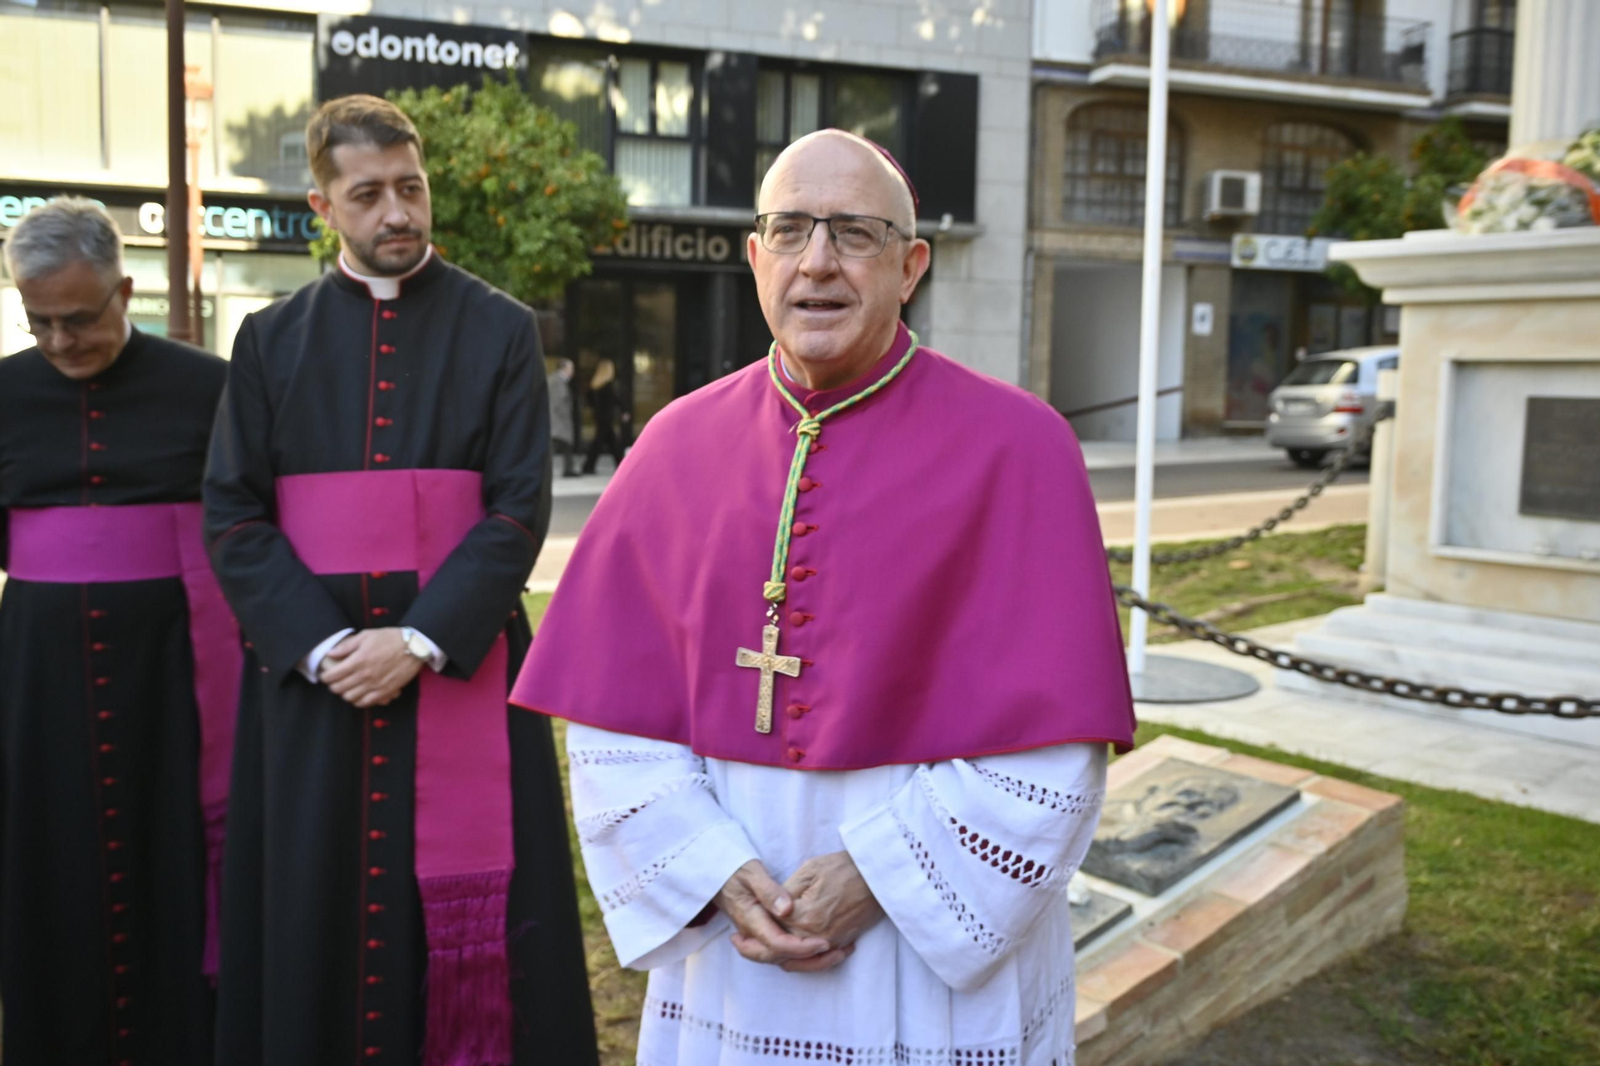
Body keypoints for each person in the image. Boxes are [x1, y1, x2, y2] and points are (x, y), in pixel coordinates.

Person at [512, 129, 1136, 1063]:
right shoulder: (674, 447)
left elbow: (1054, 748)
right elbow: (614, 723)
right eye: (791, 230)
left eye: (853, 232)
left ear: (910, 265)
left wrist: (881, 877)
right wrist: (717, 875)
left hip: (926, 957)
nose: (818, 261)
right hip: (735, 941)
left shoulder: (1021, 449)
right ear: (754, 257)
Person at [202, 95, 597, 1066]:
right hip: (316, 681)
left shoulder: (502, 329)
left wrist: (417, 640)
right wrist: (330, 646)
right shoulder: (267, 340)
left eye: (411, 188)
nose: (398, 213)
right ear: (322, 208)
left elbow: (514, 510)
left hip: (457, 663)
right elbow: (234, 513)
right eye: (369, 194)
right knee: (313, 895)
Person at [0, 198, 236, 1064]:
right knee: (52, 863)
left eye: (81, 318)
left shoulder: (209, 387)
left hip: (175, 673)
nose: (61, 341)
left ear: (123, 289)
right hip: (39, 676)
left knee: (169, 855)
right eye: (40, 322)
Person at [580, 357, 626, 474]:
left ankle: (620, 465)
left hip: (599, 416)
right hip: (606, 417)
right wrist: (624, 410)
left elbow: (589, 400)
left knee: (610, 441)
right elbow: (616, 400)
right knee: (601, 442)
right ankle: (589, 466)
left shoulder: (595, 385)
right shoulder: (607, 385)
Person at [547, 358, 579, 477]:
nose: (572, 371)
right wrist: (565, 416)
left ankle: (568, 469)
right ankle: (567, 469)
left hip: (559, 420)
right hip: (558, 420)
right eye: (571, 368)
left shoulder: (558, 380)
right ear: (564, 368)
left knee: (565, 445)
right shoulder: (556, 381)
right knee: (557, 444)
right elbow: (558, 403)